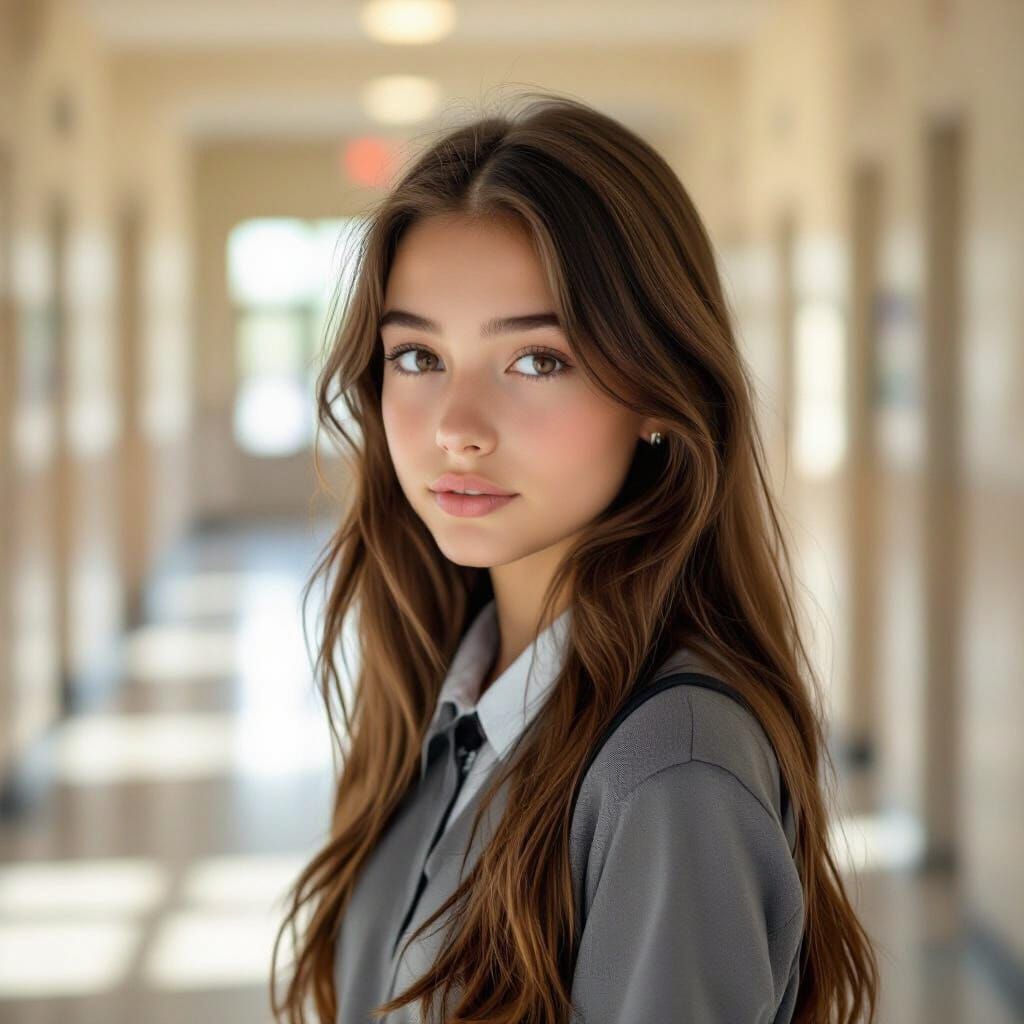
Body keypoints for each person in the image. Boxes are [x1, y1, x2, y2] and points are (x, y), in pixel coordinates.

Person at [271, 90, 879, 1024]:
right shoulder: (447, 698)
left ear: (658, 395)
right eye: (418, 358)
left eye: (537, 361)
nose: (456, 432)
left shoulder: (670, 776)